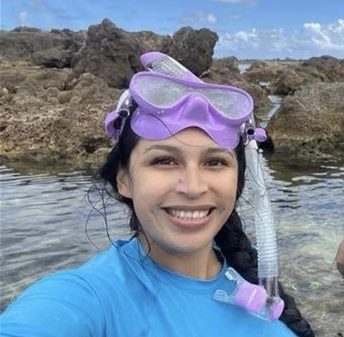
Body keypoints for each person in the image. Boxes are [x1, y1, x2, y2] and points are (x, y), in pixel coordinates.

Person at [0, 53, 314, 336]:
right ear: (124, 179)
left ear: (238, 180)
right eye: (164, 160)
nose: (193, 187)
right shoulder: (89, 298)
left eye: (215, 162)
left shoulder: (257, 279)